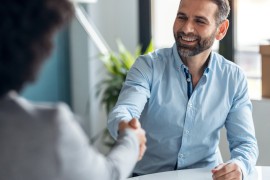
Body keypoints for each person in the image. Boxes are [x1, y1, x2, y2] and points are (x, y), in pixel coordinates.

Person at [108, 0, 258, 179]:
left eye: (200, 21)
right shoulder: (148, 66)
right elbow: (125, 110)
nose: (186, 28)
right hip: (146, 175)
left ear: (221, 30)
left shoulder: (233, 78)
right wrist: (126, 126)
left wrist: (239, 166)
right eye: (182, 17)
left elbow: (245, 143)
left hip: (205, 176)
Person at [0, 0, 146, 180]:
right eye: (47, 37)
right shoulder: (48, 130)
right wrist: (130, 138)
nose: (50, 47)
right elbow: (108, 176)